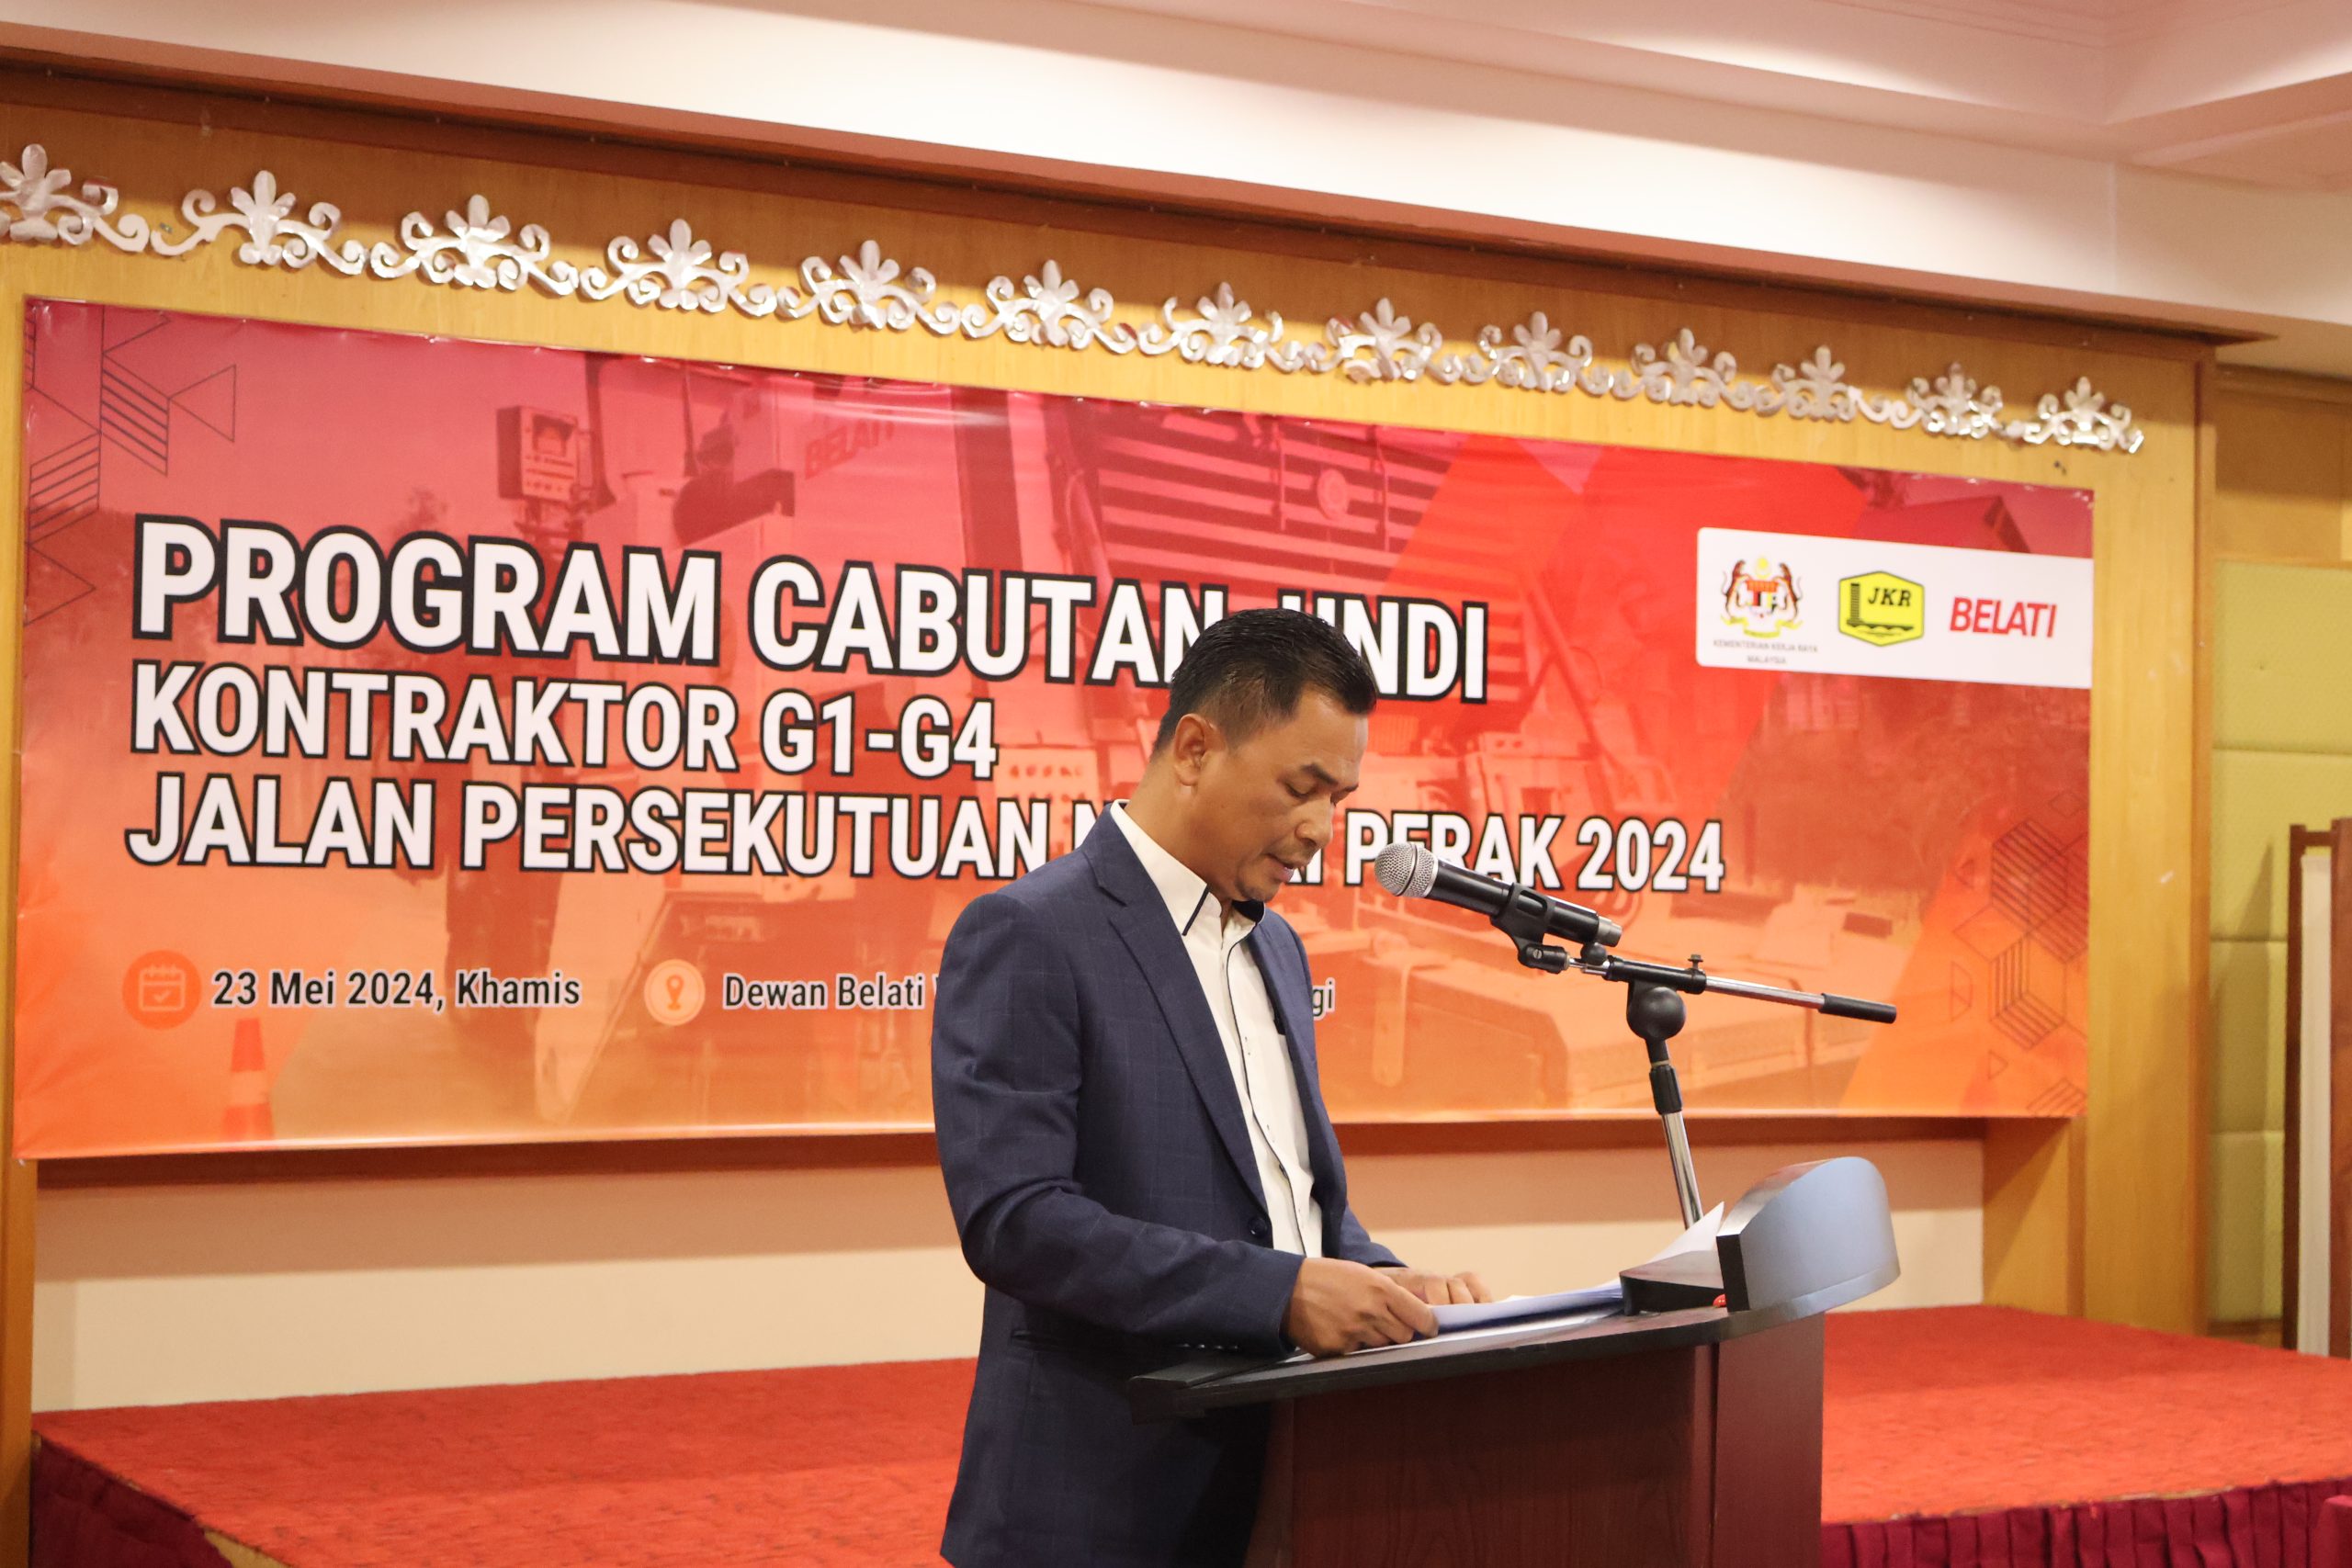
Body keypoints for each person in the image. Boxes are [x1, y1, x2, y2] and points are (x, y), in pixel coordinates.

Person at [932, 608, 1491, 1568]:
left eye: (1339, 798)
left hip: (1283, 1492)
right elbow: (1015, 1221)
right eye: (1300, 788)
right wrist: (1281, 1293)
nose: (1319, 830)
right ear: (1194, 749)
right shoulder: (1032, 932)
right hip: (1096, 1504)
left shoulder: (1279, 946)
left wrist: (1380, 1280)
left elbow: (1289, 1201)